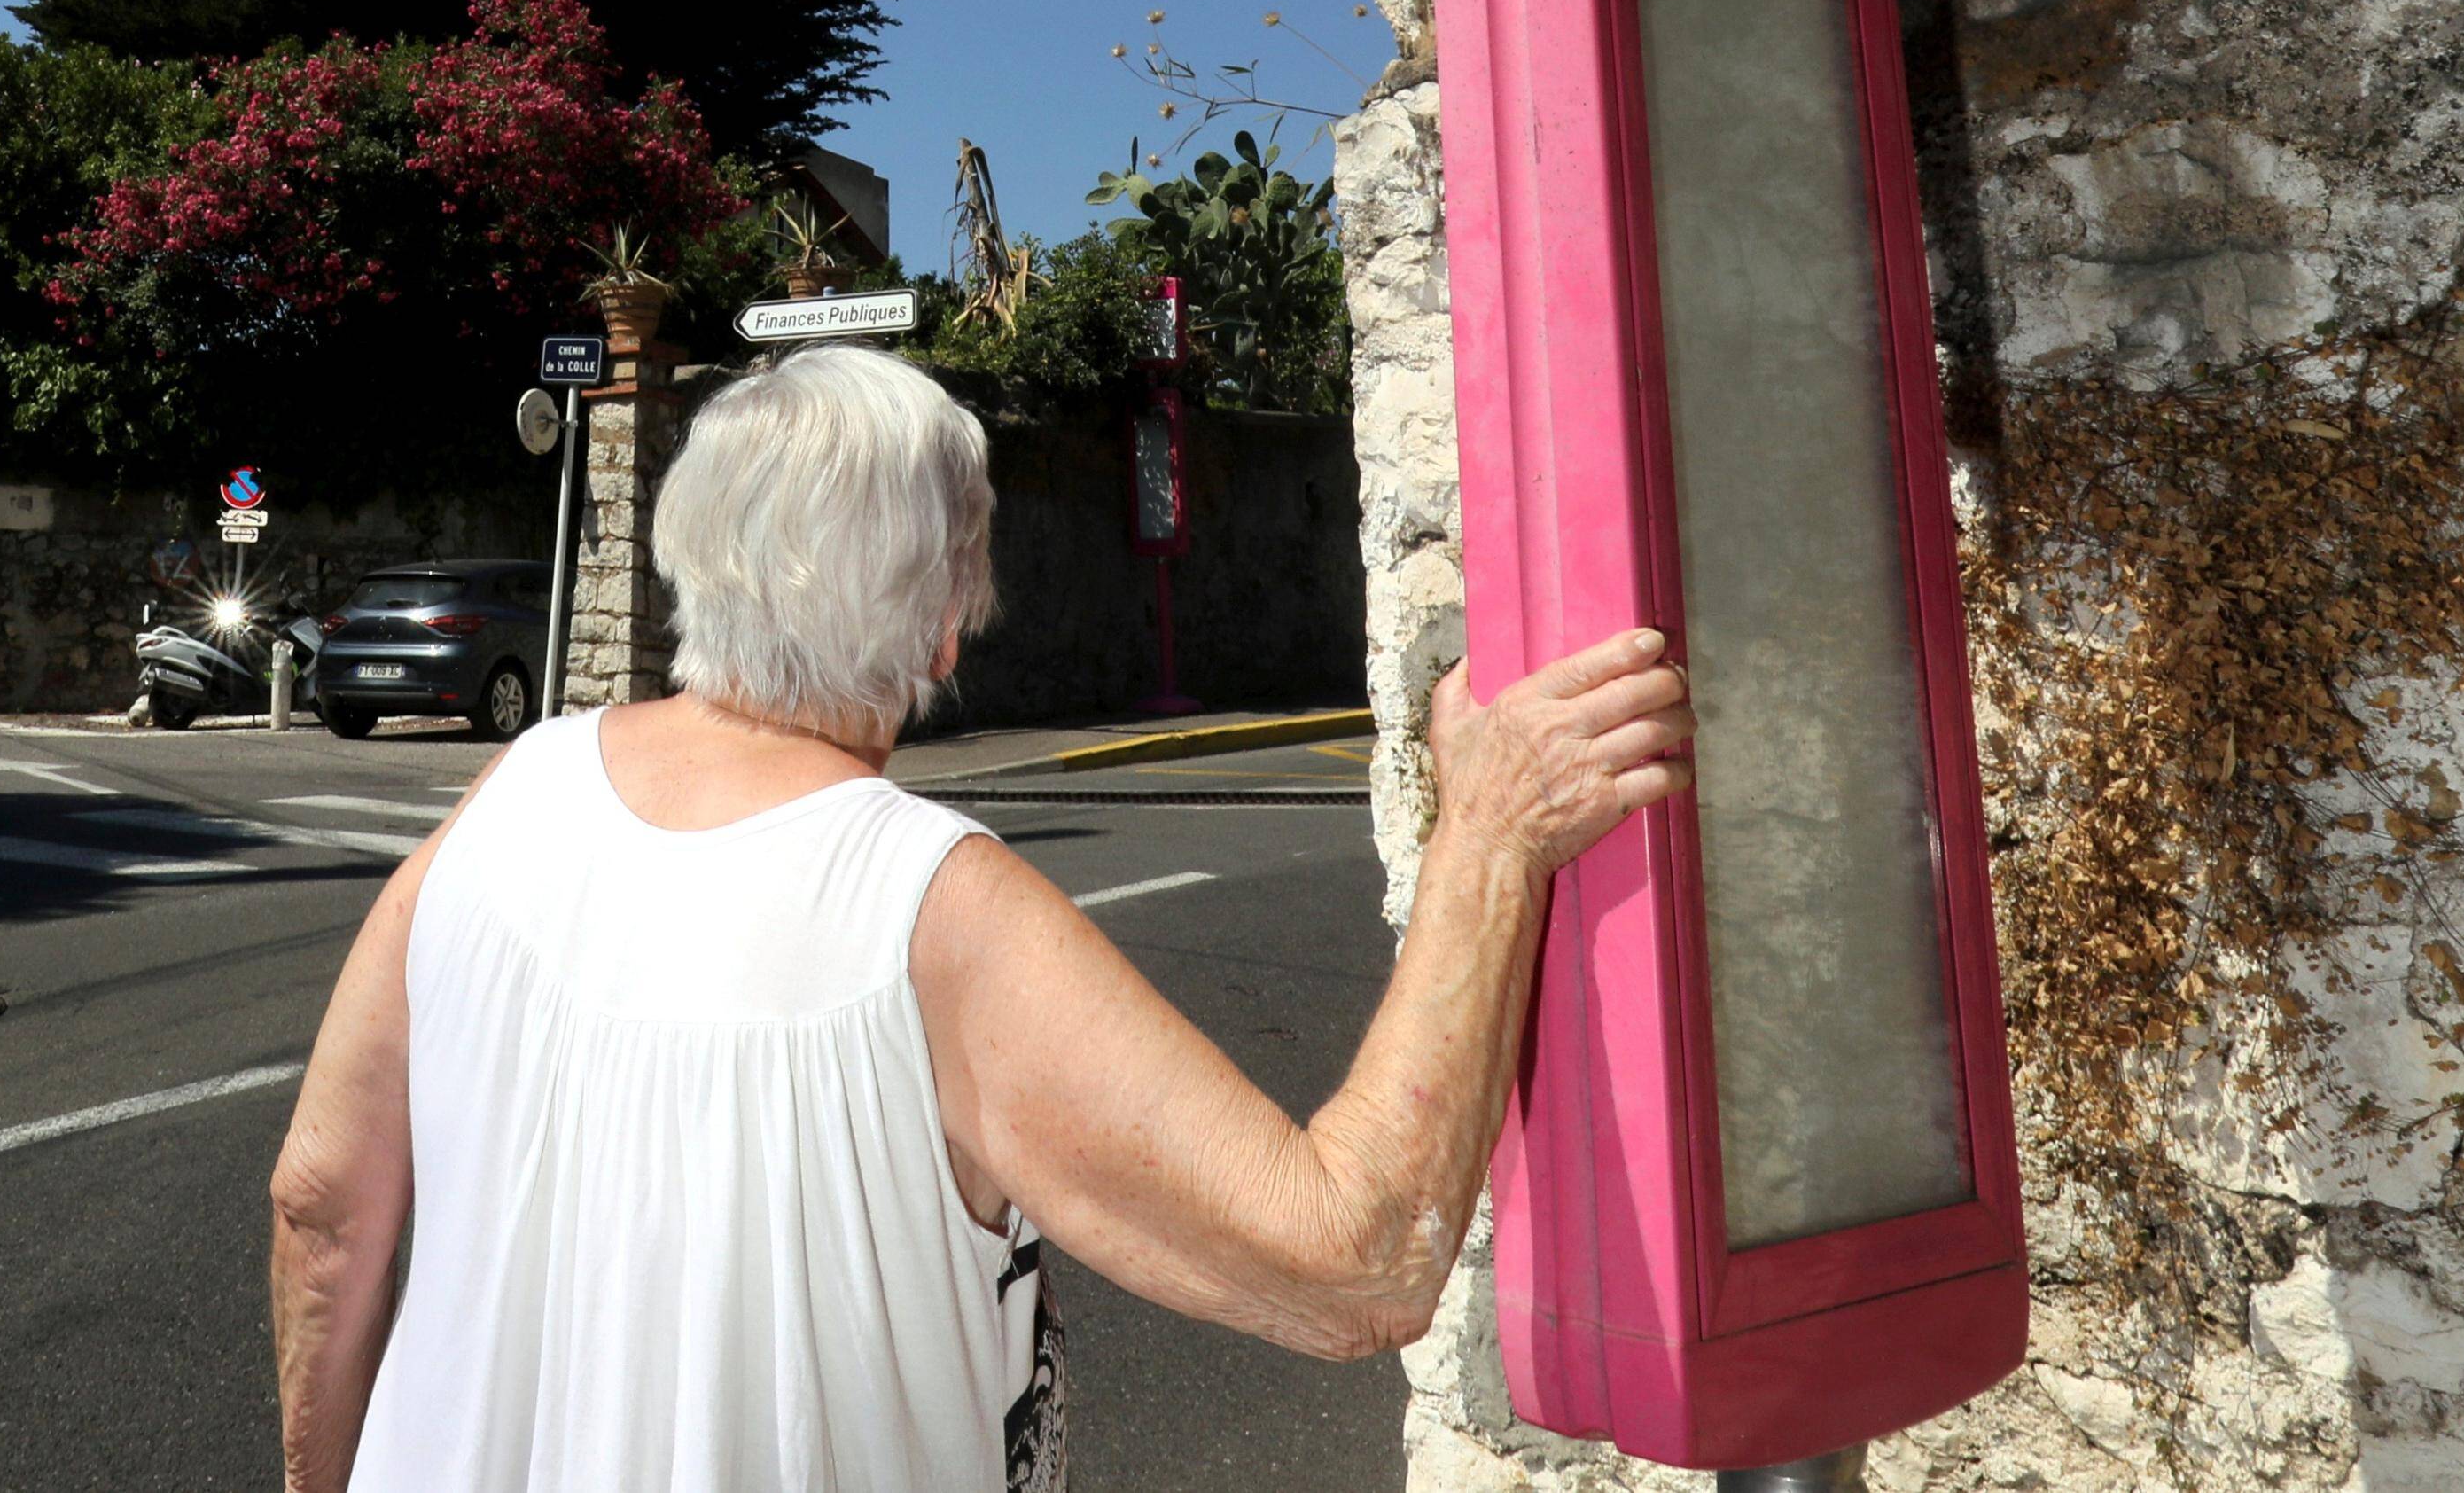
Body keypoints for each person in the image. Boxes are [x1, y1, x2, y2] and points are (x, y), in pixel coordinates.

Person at [267, 340, 1690, 1493]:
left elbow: (323, 1209)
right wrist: (1492, 839)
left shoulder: (506, 799)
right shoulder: (928, 907)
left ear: (684, 562)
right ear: (948, 624)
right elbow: (1354, 1259)